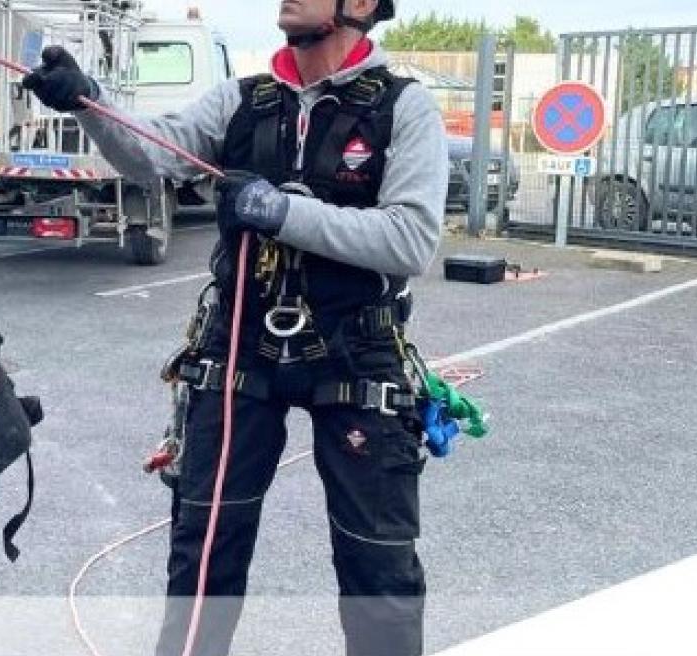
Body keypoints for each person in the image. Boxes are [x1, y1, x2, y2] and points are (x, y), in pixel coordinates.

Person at [23, 0, 447, 654]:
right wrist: (88, 102)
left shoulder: (404, 108)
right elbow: (154, 154)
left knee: (378, 569)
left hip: (358, 350)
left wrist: (279, 213)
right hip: (240, 343)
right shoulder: (243, 100)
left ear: (361, 4)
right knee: (203, 557)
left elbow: (410, 239)